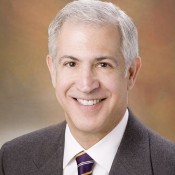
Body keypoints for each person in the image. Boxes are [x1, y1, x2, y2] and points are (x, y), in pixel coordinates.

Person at [0, 0, 175, 174]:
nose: (86, 85)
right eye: (71, 64)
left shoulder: (168, 165)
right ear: (53, 70)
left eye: (103, 65)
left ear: (131, 72)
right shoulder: (12, 161)